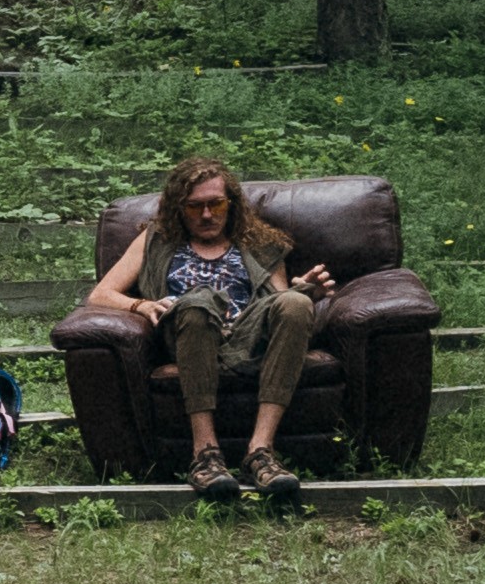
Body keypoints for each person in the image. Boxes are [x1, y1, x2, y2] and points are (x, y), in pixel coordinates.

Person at [83, 149, 336, 501]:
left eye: (215, 204)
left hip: (248, 334)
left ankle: (260, 452)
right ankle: (205, 455)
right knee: (199, 302)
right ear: (178, 208)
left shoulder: (259, 243)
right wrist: (140, 304)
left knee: (295, 304)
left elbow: (276, 304)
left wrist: (304, 290)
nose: (206, 214)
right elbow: (101, 295)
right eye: (194, 206)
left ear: (230, 203)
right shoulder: (155, 239)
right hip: (189, 332)